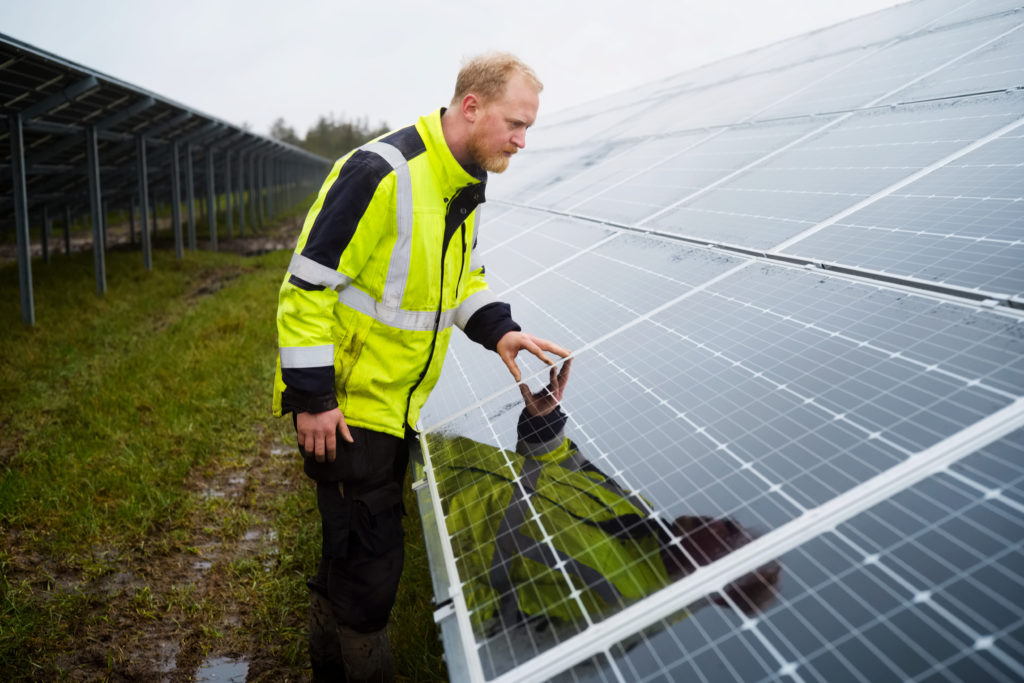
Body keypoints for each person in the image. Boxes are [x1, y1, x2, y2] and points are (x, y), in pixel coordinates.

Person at [273, 52, 569, 681]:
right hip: (352, 407)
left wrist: (500, 331)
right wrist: (313, 399)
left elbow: (460, 279)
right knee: (372, 569)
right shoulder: (382, 173)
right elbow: (306, 287)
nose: (522, 141)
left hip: (394, 403)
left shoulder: (461, 180)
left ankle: (325, 658)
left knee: (351, 547)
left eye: (528, 129)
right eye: (516, 124)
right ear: (471, 107)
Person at [430, 358, 780, 640]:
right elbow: (563, 465)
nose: (718, 522)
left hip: (420, 526)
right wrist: (545, 423)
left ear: (718, 580)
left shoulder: (616, 604)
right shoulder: (641, 513)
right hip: (436, 456)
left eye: (729, 533)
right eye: (731, 523)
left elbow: (491, 620)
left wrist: (420, 553)